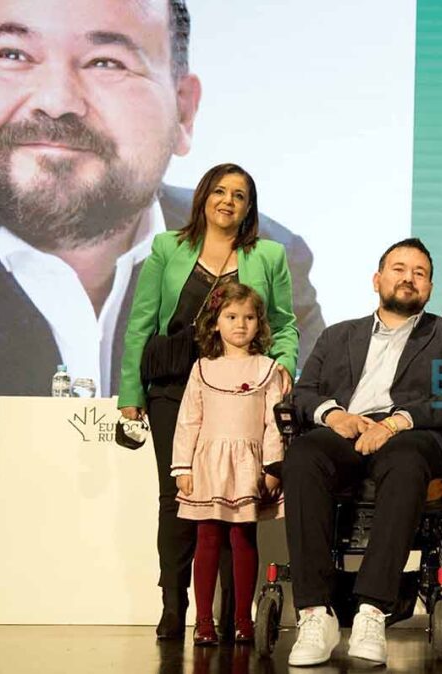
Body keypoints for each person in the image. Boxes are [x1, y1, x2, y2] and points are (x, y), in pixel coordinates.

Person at [0, 0, 323, 527]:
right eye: (13, 53)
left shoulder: (274, 253)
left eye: (105, 62)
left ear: (184, 110)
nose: (56, 102)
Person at [117, 163, 300, 640]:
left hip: (240, 391)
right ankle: (174, 606)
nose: (228, 201)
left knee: (232, 502)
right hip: (174, 386)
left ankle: (228, 617)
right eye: (219, 191)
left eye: (239, 195)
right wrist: (130, 394)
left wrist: (283, 365)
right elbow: (142, 323)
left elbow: (283, 324)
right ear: (203, 198)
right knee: (177, 498)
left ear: (248, 207)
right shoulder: (166, 247)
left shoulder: (270, 254)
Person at [285, 238, 442, 667]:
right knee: (303, 456)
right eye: (399, 269)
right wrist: (335, 416)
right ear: (377, 279)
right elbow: (304, 393)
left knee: (406, 460)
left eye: (419, 273)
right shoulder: (337, 336)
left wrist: (396, 421)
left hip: (412, 434)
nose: (408, 278)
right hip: (348, 431)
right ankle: (316, 612)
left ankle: (372, 609)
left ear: (429, 288)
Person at [170, 283, 285, 645]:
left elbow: (273, 423)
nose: (240, 325)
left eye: (249, 317)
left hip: (248, 467)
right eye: (231, 317)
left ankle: (242, 619)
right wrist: (182, 468)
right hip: (209, 465)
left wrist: (272, 467)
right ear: (215, 322)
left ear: (260, 323)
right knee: (207, 539)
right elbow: (189, 420)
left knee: (243, 537)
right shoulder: (203, 368)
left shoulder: (268, 370)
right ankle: (204, 622)